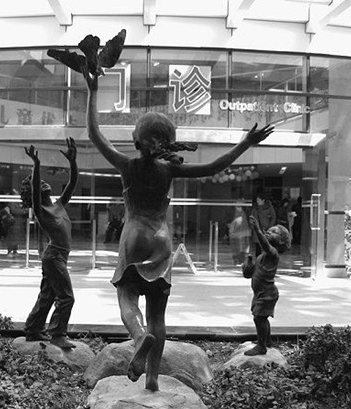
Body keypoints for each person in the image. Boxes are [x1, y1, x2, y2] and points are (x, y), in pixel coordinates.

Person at [83, 62, 274, 391]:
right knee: (159, 314)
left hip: (132, 238)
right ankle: (153, 379)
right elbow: (213, 166)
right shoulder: (169, 171)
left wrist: (93, 89)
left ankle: (139, 337)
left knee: (127, 298)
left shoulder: (127, 165)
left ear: (136, 139)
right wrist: (245, 143)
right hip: (161, 242)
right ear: (168, 142)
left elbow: (95, 134)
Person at [21, 138, 78, 349]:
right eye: (38, 183)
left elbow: (72, 183)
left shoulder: (59, 204)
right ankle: (57, 333)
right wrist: (36, 166)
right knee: (67, 298)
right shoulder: (41, 210)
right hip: (54, 256)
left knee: (47, 295)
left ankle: (33, 328)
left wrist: (73, 162)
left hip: (57, 256)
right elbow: (36, 189)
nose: (43, 183)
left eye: (43, 181)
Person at [242, 215, 291, 356]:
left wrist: (258, 230)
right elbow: (249, 274)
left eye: (274, 232)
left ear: (281, 240)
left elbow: (265, 244)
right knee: (261, 317)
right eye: (268, 230)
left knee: (259, 318)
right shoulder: (262, 256)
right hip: (260, 293)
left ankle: (261, 346)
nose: (269, 232)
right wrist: (249, 265)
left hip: (267, 293)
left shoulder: (273, 254)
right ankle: (267, 341)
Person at [250, 191, 276, 256]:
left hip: (265, 230)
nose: (257, 201)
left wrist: (270, 227)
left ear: (263, 200)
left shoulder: (269, 207)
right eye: (256, 200)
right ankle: (258, 262)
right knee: (258, 248)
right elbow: (251, 217)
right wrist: (252, 226)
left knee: (265, 247)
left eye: (258, 200)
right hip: (257, 230)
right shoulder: (255, 208)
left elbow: (273, 217)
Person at [6, 189, 27, 257]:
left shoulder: (17, 203)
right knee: (12, 238)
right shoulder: (11, 203)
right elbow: (14, 211)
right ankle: (9, 252)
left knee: (16, 238)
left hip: (18, 223)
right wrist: (24, 211)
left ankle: (15, 251)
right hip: (13, 223)